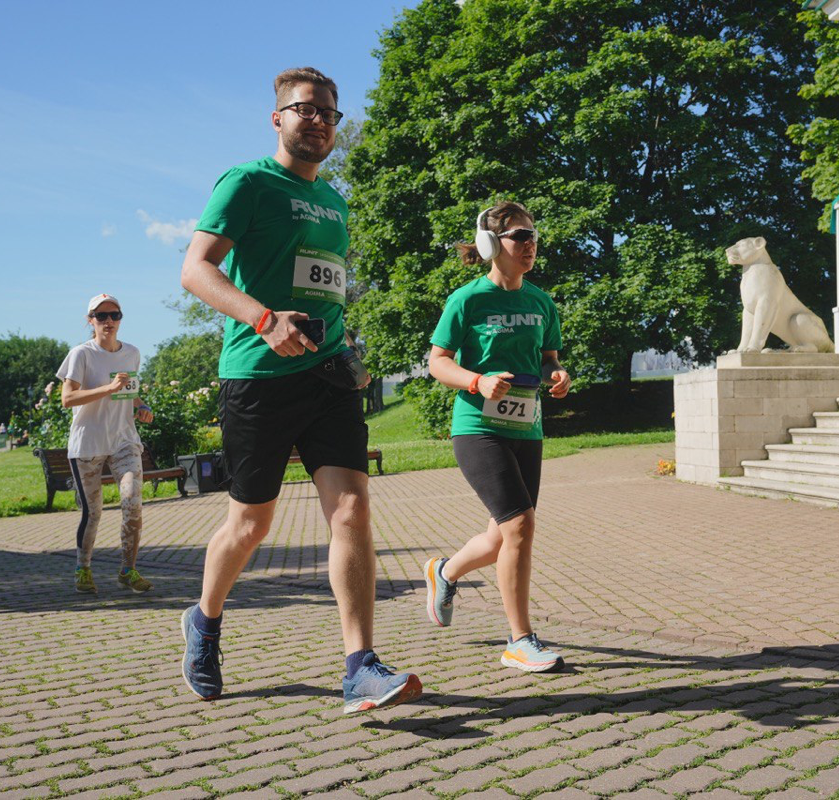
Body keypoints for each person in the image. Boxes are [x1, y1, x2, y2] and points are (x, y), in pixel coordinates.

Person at [177, 66, 421, 712]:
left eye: (329, 114)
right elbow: (195, 270)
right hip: (256, 377)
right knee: (251, 525)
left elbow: (326, 289)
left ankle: (359, 666)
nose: (318, 121)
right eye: (305, 109)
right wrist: (262, 318)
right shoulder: (248, 182)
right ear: (278, 117)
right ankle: (203, 622)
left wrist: (349, 355)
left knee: (351, 510)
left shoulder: (336, 204)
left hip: (328, 378)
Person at [423, 201, 572, 672]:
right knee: (520, 527)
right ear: (491, 245)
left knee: (501, 537)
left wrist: (557, 374)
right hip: (478, 429)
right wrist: (476, 380)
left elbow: (548, 360)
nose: (530, 244)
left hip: (527, 427)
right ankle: (519, 640)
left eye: (533, 236)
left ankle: (444, 571)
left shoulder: (541, 302)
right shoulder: (466, 300)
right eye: (519, 236)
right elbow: (437, 361)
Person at [55, 294, 155, 595]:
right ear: (90, 320)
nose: (109, 321)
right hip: (88, 443)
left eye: (115, 315)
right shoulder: (81, 355)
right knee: (94, 512)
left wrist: (141, 406)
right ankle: (83, 567)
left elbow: (129, 392)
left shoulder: (132, 353)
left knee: (132, 501)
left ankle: (128, 570)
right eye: (101, 316)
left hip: (124, 440)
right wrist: (107, 388)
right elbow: (67, 398)